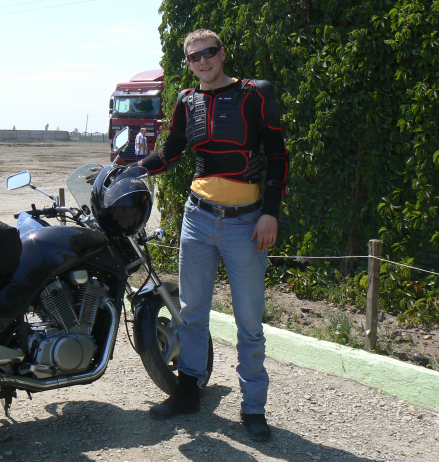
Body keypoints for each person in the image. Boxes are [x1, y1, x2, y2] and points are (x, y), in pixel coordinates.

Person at [139, 29, 289, 442]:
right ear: (188, 63)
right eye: (194, 56)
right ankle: (188, 392)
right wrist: (128, 169)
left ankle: (253, 407)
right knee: (191, 312)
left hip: (246, 222)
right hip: (198, 219)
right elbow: (171, 151)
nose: (202, 61)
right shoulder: (187, 101)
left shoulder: (254, 93)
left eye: (208, 53)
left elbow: (278, 155)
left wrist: (270, 214)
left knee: (248, 321)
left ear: (222, 54)